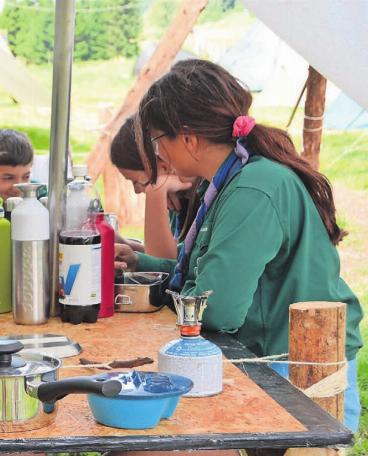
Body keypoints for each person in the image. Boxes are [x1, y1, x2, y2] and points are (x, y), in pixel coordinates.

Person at [118, 59, 363, 432]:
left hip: (302, 370)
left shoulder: (251, 188)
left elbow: (217, 308)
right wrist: (142, 262)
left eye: (156, 141)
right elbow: (210, 272)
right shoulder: (229, 178)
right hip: (276, 357)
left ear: (187, 137)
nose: (158, 154)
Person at [111, 116, 198, 259]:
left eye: (136, 182)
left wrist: (155, 191)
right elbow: (171, 256)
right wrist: (125, 244)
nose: (137, 191)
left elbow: (161, 263)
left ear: (164, 165)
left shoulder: (203, 199)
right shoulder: (177, 200)